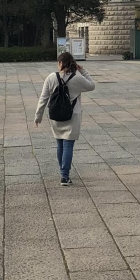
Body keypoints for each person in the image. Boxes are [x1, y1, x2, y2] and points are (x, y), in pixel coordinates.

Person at [34, 52, 96, 184]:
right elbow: (92, 85)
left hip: (56, 116)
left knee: (60, 144)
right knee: (68, 145)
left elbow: (43, 98)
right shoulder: (77, 79)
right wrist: (82, 71)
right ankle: (64, 175)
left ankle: (63, 171)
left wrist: (38, 116)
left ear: (60, 63)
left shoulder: (51, 77)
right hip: (72, 116)